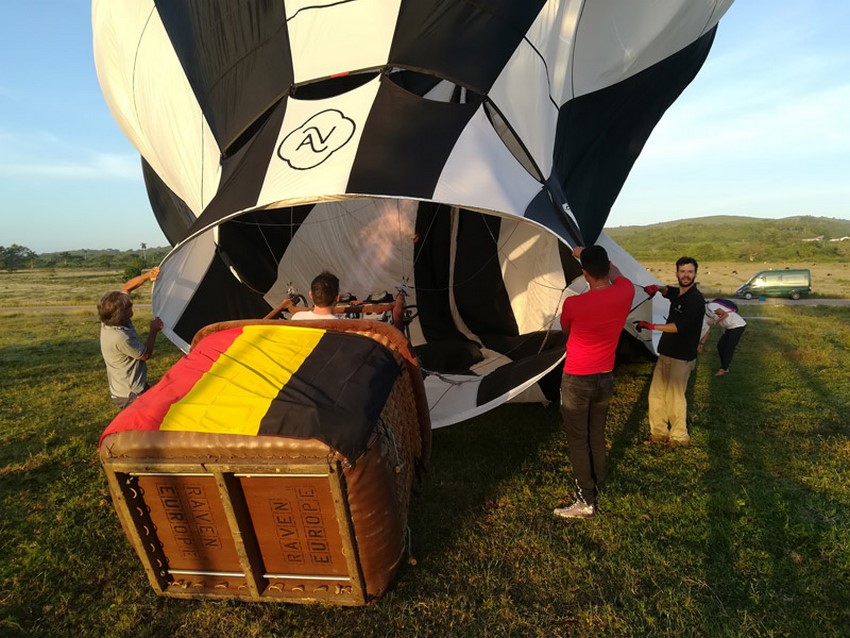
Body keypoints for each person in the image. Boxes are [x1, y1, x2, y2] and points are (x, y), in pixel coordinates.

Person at [554, 245, 634, 519]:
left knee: (578, 441)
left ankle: (585, 501)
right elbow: (618, 272)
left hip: (576, 379)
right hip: (605, 377)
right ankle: (598, 484)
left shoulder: (574, 303)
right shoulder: (625, 291)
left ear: (585, 274)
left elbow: (566, 328)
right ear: (608, 266)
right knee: (596, 435)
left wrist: (581, 256)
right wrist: (587, 254)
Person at [635, 256, 705, 447]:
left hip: (681, 356)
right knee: (656, 395)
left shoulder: (695, 300)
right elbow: (669, 291)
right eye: (682, 271)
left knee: (675, 398)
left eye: (690, 272)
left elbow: (678, 326)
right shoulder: (680, 293)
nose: (686, 275)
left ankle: (679, 437)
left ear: (695, 274)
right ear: (677, 273)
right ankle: (658, 433)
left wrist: (651, 326)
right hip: (666, 353)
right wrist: (657, 289)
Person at [98, 267, 163, 409]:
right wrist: (153, 330)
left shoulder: (108, 320)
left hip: (128, 386)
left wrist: (147, 275)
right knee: (147, 421)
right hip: (130, 393)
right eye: (129, 307)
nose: (132, 306)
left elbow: (127, 287)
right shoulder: (120, 338)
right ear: (121, 313)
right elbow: (145, 355)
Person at [699, 299, 747, 376]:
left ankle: (723, 369)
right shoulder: (705, 314)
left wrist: (715, 322)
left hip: (738, 325)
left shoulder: (711, 306)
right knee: (720, 346)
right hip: (729, 327)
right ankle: (725, 366)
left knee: (729, 348)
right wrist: (701, 344)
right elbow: (708, 329)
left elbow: (725, 314)